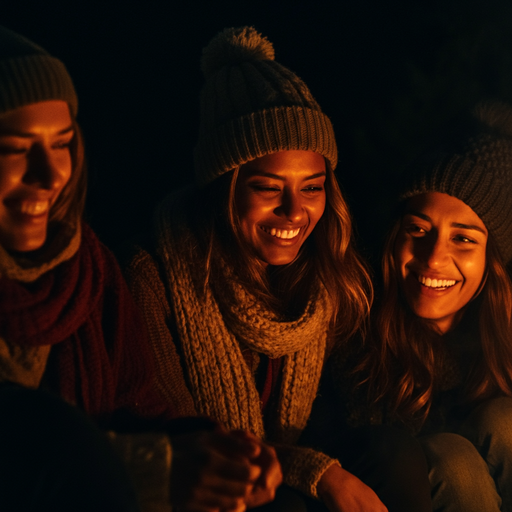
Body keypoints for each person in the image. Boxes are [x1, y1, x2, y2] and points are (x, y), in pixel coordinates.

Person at [126, 26, 432, 511]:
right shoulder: (157, 278)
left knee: (395, 455)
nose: (295, 212)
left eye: (312, 187)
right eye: (269, 188)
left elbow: (340, 424)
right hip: (210, 489)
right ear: (224, 186)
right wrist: (316, 473)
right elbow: (187, 445)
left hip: (292, 474)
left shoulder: (324, 275)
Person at [0, 25, 281, 512]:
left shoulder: (86, 274)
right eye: (14, 149)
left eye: (63, 143)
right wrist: (149, 467)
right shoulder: (149, 275)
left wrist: (212, 453)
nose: (50, 176)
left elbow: (136, 410)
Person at [366, 101, 512, 511]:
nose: (433, 259)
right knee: (450, 457)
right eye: (418, 230)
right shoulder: (358, 329)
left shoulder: (501, 334)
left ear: (492, 260)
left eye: (463, 239)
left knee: (505, 421)